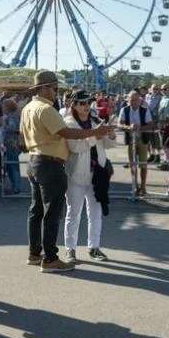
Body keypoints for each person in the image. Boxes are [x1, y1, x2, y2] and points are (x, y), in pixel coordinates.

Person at [20, 71, 112, 272]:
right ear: (44, 88)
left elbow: (22, 139)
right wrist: (96, 132)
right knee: (52, 213)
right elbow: (67, 133)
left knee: (36, 210)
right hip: (50, 164)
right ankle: (51, 258)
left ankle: (34, 253)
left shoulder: (28, 108)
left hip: (34, 161)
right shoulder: (46, 109)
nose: (56, 92)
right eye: (55, 89)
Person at [62, 90, 110, 263]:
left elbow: (107, 144)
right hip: (76, 174)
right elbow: (75, 147)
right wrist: (94, 136)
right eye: (82, 103)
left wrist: (109, 135)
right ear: (73, 105)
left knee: (95, 213)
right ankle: (70, 249)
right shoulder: (68, 123)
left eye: (88, 103)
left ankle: (94, 247)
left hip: (97, 173)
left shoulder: (95, 120)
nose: (86, 106)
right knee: (74, 213)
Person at [116, 90, 154, 196]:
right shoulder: (125, 110)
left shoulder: (144, 110)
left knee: (143, 165)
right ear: (128, 100)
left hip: (142, 139)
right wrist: (129, 128)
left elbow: (150, 124)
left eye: (136, 100)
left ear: (140, 100)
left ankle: (143, 187)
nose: (133, 102)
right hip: (130, 139)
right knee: (132, 164)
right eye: (131, 100)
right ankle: (134, 186)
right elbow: (119, 124)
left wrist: (139, 128)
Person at [1, 98, 22, 194]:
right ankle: (15, 186)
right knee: (10, 165)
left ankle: (16, 187)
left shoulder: (12, 116)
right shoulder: (12, 115)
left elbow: (13, 128)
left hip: (12, 143)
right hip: (9, 142)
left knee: (13, 165)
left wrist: (3, 124)